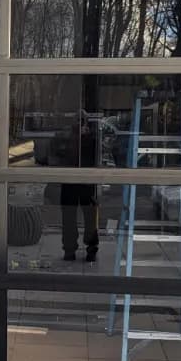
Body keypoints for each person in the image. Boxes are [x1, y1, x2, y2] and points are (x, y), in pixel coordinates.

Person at [58, 111, 99, 262]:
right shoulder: (66, 137)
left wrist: (86, 137)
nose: (81, 125)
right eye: (78, 121)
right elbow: (58, 155)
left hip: (85, 180)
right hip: (71, 180)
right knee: (70, 217)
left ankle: (90, 248)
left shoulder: (90, 138)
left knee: (89, 217)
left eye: (83, 121)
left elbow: (96, 155)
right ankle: (70, 249)